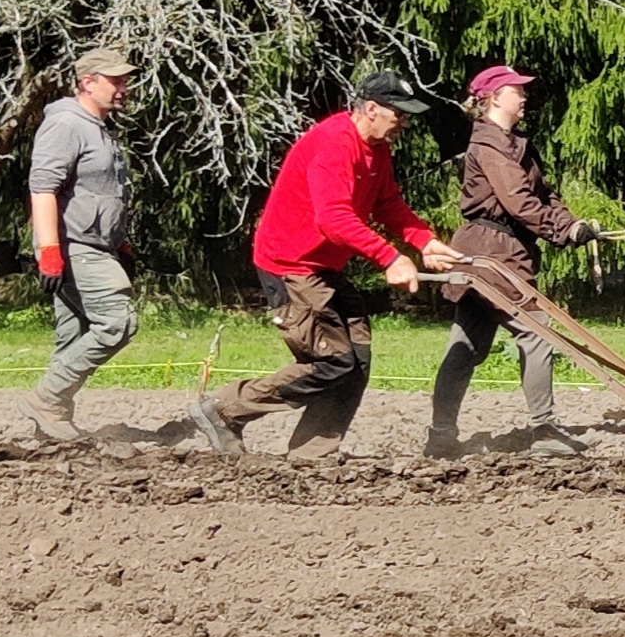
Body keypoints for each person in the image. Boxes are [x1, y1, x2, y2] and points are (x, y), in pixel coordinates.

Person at [189, 72, 462, 459]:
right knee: (331, 362)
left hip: (323, 267)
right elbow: (332, 219)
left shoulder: (376, 149)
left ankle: (312, 455)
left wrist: (424, 241)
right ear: (371, 109)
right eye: (399, 114)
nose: (404, 122)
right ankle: (225, 409)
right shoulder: (334, 144)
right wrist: (389, 257)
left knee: (356, 360)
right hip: (291, 265)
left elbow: (386, 203)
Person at [427, 64, 603, 459]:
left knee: (466, 345)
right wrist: (562, 232)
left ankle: (441, 434)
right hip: (492, 254)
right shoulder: (490, 146)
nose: (524, 97)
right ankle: (544, 430)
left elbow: (544, 197)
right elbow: (519, 203)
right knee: (537, 331)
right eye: (517, 91)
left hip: (497, 252)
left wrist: (573, 225)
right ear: (494, 97)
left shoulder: (514, 144)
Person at [17, 48, 139, 441]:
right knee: (118, 323)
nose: (123, 88)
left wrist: (119, 243)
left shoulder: (97, 127)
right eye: (115, 80)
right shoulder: (66, 124)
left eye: (124, 80)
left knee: (74, 334)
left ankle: (51, 425)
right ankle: (47, 399)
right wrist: (50, 251)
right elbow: (43, 188)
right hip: (73, 246)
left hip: (94, 245)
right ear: (87, 82)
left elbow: (94, 192)